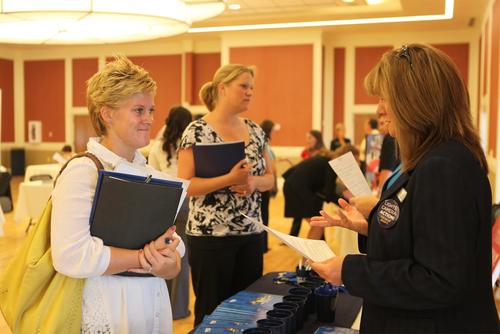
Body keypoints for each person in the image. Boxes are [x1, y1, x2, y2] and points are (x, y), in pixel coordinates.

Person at [309, 44, 498, 333]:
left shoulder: (443, 167)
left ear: (415, 100)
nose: (379, 108)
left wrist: (348, 270)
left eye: (386, 97)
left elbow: (440, 280)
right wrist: (374, 228)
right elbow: (428, 239)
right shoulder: (433, 158)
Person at [51, 56, 185, 333]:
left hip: (151, 303)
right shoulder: (82, 172)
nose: (149, 119)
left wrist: (169, 265)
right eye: (139, 110)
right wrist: (144, 259)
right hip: (106, 305)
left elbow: (175, 250)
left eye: (151, 109)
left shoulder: (150, 173)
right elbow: (70, 255)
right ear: (107, 114)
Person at [177, 64, 274, 326]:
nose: (250, 92)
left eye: (252, 87)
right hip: (211, 238)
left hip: (251, 234)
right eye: (243, 86)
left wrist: (253, 183)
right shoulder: (197, 131)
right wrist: (229, 180)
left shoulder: (255, 130)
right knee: (211, 313)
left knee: (247, 312)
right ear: (222, 88)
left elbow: (271, 178)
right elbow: (186, 184)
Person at [148, 105, 193, 320]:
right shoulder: (192, 146)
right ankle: (180, 309)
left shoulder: (157, 146)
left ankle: (162, 307)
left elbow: (151, 174)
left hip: (163, 201)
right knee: (181, 258)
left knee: (163, 251)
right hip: (187, 200)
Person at [284, 145, 359, 238]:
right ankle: (311, 252)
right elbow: (329, 193)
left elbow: (327, 189)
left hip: (295, 186)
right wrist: (347, 205)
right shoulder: (331, 164)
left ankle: (319, 248)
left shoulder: (327, 161)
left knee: (320, 222)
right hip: (298, 189)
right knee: (318, 225)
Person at [259, 119, 278, 253]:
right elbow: (272, 167)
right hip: (263, 185)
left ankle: (263, 245)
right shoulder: (265, 145)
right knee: (264, 215)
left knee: (263, 215)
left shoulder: (263, 144)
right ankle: (263, 245)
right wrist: (274, 184)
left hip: (261, 184)